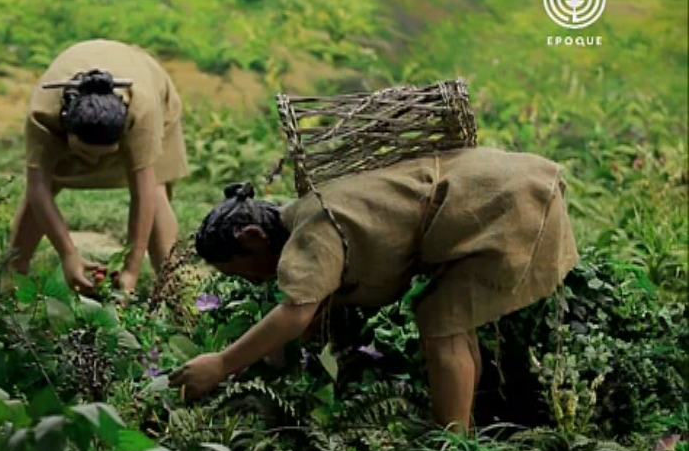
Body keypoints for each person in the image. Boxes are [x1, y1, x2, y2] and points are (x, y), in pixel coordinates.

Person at [168, 146, 579, 430]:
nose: (255, 281)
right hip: (497, 190)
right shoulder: (311, 210)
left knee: (442, 323)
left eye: (245, 272)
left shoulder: (313, 230)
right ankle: (461, 430)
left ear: (255, 238)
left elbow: (295, 314)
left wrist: (222, 364)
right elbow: (309, 318)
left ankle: (455, 447)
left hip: (505, 204)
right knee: (446, 316)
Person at [6, 39, 189, 295]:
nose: (93, 163)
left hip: (149, 83)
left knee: (155, 187)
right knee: (48, 182)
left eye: (106, 155)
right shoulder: (43, 113)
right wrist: (69, 255)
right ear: (65, 127)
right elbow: (38, 188)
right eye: (83, 153)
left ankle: (172, 288)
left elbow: (143, 192)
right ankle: (11, 275)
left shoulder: (142, 110)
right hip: (67, 108)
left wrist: (131, 269)